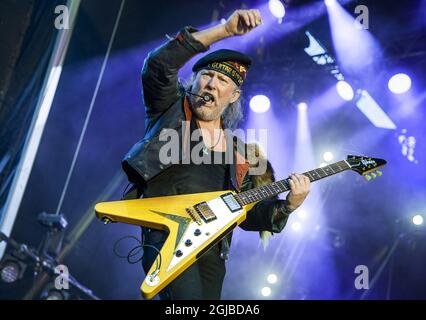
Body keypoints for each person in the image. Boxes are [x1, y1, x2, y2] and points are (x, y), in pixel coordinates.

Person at [121, 9, 311, 300]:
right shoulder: (171, 112)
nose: (211, 84)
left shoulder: (239, 153)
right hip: (169, 236)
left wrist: (289, 206)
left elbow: (248, 214)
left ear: (233, 96)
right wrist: (224, 30)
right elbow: (158, 65)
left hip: (214, 252)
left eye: (222, 81)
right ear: (193, 82)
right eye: (206, 75)